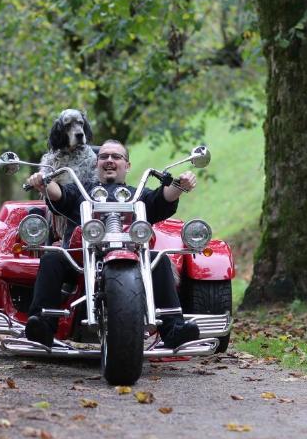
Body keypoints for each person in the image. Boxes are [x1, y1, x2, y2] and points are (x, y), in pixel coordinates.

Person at [23, 139, 201, 349]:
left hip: (132, 258)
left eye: (116, 157)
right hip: (80, 260)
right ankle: (42, 325)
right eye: (104, 156)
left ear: (127, 165)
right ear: (96, 163)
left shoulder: (138, 194)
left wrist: (180, 184)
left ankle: (173, 329)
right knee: (52, 257)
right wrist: (43, 182)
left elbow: (161, 199)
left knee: (159, 260)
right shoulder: (81, 189)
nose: (109, 160)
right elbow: (59, 194)